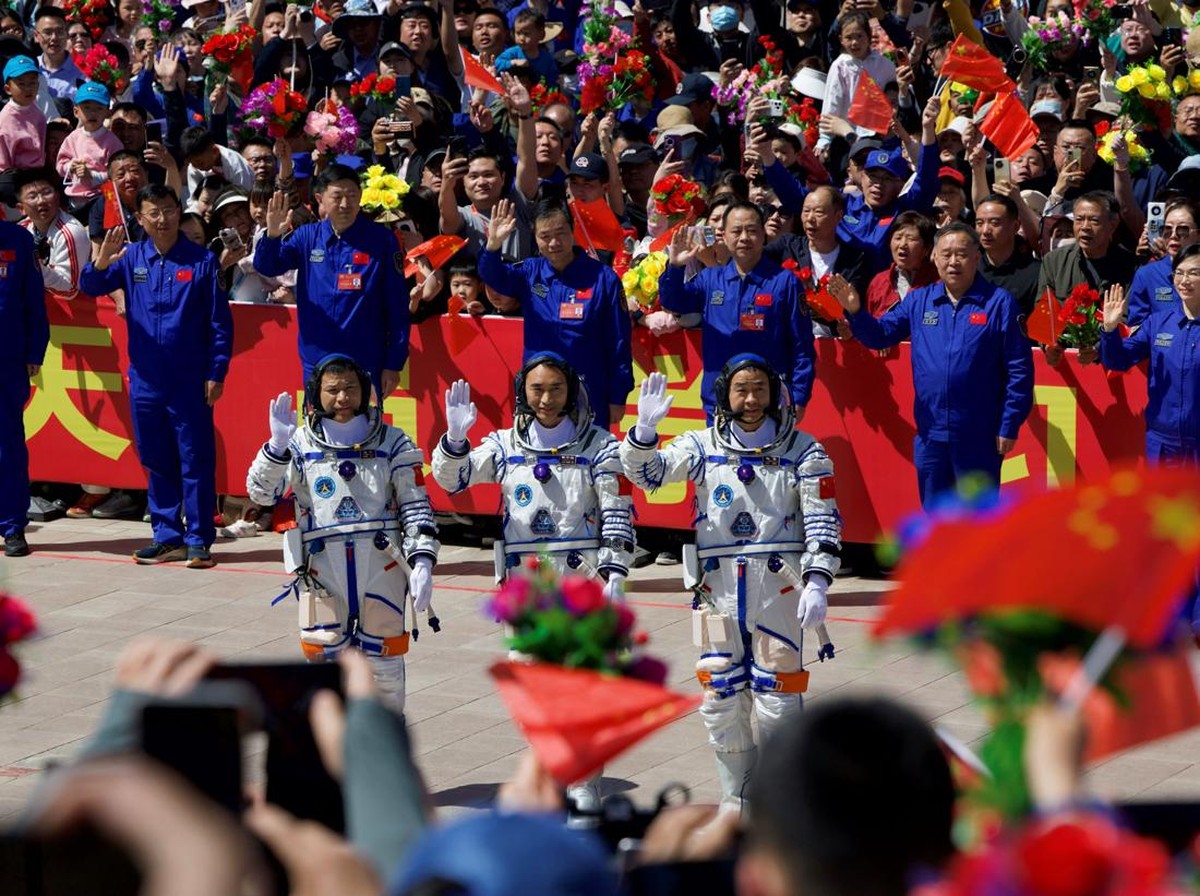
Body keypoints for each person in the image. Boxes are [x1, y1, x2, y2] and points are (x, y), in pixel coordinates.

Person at [620, 356, 842, 813]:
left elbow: (823, 520)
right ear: (725, 395)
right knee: (720, 693)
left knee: (778, 696)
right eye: (741, 389)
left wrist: (818, 580)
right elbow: (647, 475)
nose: (751, 400)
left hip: (778, 589)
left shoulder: (804, 451)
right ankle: (735, 796)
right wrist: (644, 432)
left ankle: (783, 799)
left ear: (775, 394)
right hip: (716, 591)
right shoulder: (701, 448)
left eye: (760, 389)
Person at [431, 352, 634, 808]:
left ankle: (583, 784)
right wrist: (456, 438)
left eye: (556, 389)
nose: (546, 399)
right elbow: (454, 480)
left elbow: (618, 513)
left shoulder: (599, 447)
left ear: (572, 391)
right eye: (537, 389)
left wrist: (615, 572)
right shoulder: (504, 445)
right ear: (522, 391)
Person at [246, 354, 439, 712]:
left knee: (385, 675)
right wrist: (275, 449)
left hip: (381, 570)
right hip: (323, 573)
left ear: (364, 391)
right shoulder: (299, 444)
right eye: (332, 389)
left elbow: (415, 505)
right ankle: (328, 760)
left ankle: (384, 758)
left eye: (350, 388)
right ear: (315, 394)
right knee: (322, 680)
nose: (341, 397)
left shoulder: (393, 443)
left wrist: (423, 560)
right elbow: (260, 494)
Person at [80, 183, 232, 568]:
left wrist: (216, 371)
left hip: (189, 379)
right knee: (156, 456)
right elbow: (90, 286)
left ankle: (198, 539)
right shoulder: (132, 259)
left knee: (194, 458)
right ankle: (167, 536)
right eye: (153, 212)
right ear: (140, 219)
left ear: (178, 211)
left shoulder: (201, 261)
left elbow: (219, 324)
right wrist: (101, 262)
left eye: (168, 210)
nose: (162, 219)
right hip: (145, 379)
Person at [833, 223, 1034, 507]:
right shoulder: (919, 300)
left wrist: (1009, 424)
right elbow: (879, 336)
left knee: (978, 522)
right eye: (946, 254)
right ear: (934, 258)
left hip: (980, 436)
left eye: (962, 254)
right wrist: (855, 311)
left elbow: (1019, 370)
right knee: (936, 522)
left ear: (976, 257)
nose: (953, 262)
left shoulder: (999, 304)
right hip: (931, 435)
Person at [254, 164, 409, 398]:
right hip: (317, 358)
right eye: (337, 197)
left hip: (366, 358)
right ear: (320, 198)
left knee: (365, 430)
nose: (345, 204)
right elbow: (267, 266)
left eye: (352, 196)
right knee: (318, 431)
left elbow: (397, 304)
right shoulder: (307, 237)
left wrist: (393, 363)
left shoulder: (382, 240)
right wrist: (273, 235)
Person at [477, 200, 633, 429]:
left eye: (560, 233)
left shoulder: (603, 278)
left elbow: (619, 341)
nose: (553, 243)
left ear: (573, 231)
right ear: (536, 238)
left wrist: (618, 396)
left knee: (590, 460)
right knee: (538, 459)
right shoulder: (530, 272)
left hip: (589, 391)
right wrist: (493, 245)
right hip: (540, 395)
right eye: (544, 236)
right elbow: (493, 276)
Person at [658, 202, 815, 418]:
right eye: (736, 231)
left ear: (763, 234)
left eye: (751, 231)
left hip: (770, 403)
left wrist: (798, 396)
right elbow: (674, 302)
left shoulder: (785, 282)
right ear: (724, 235)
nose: (743, 238)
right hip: (719, 401)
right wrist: (675, 267)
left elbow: (802, 346)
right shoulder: (710, 279)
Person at [1099, 244, 1200, 468]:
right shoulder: (1157, 322)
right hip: (1163, 444)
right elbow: (1118, 360)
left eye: (1194, 273)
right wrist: (1109, 330)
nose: (1185, 280)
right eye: (1180, 273)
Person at [0, 214, 49, 557]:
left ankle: (12, 526)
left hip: (8, 359)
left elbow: (34, 300)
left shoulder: (17, 240)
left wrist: (35, 349)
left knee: (8, 445)